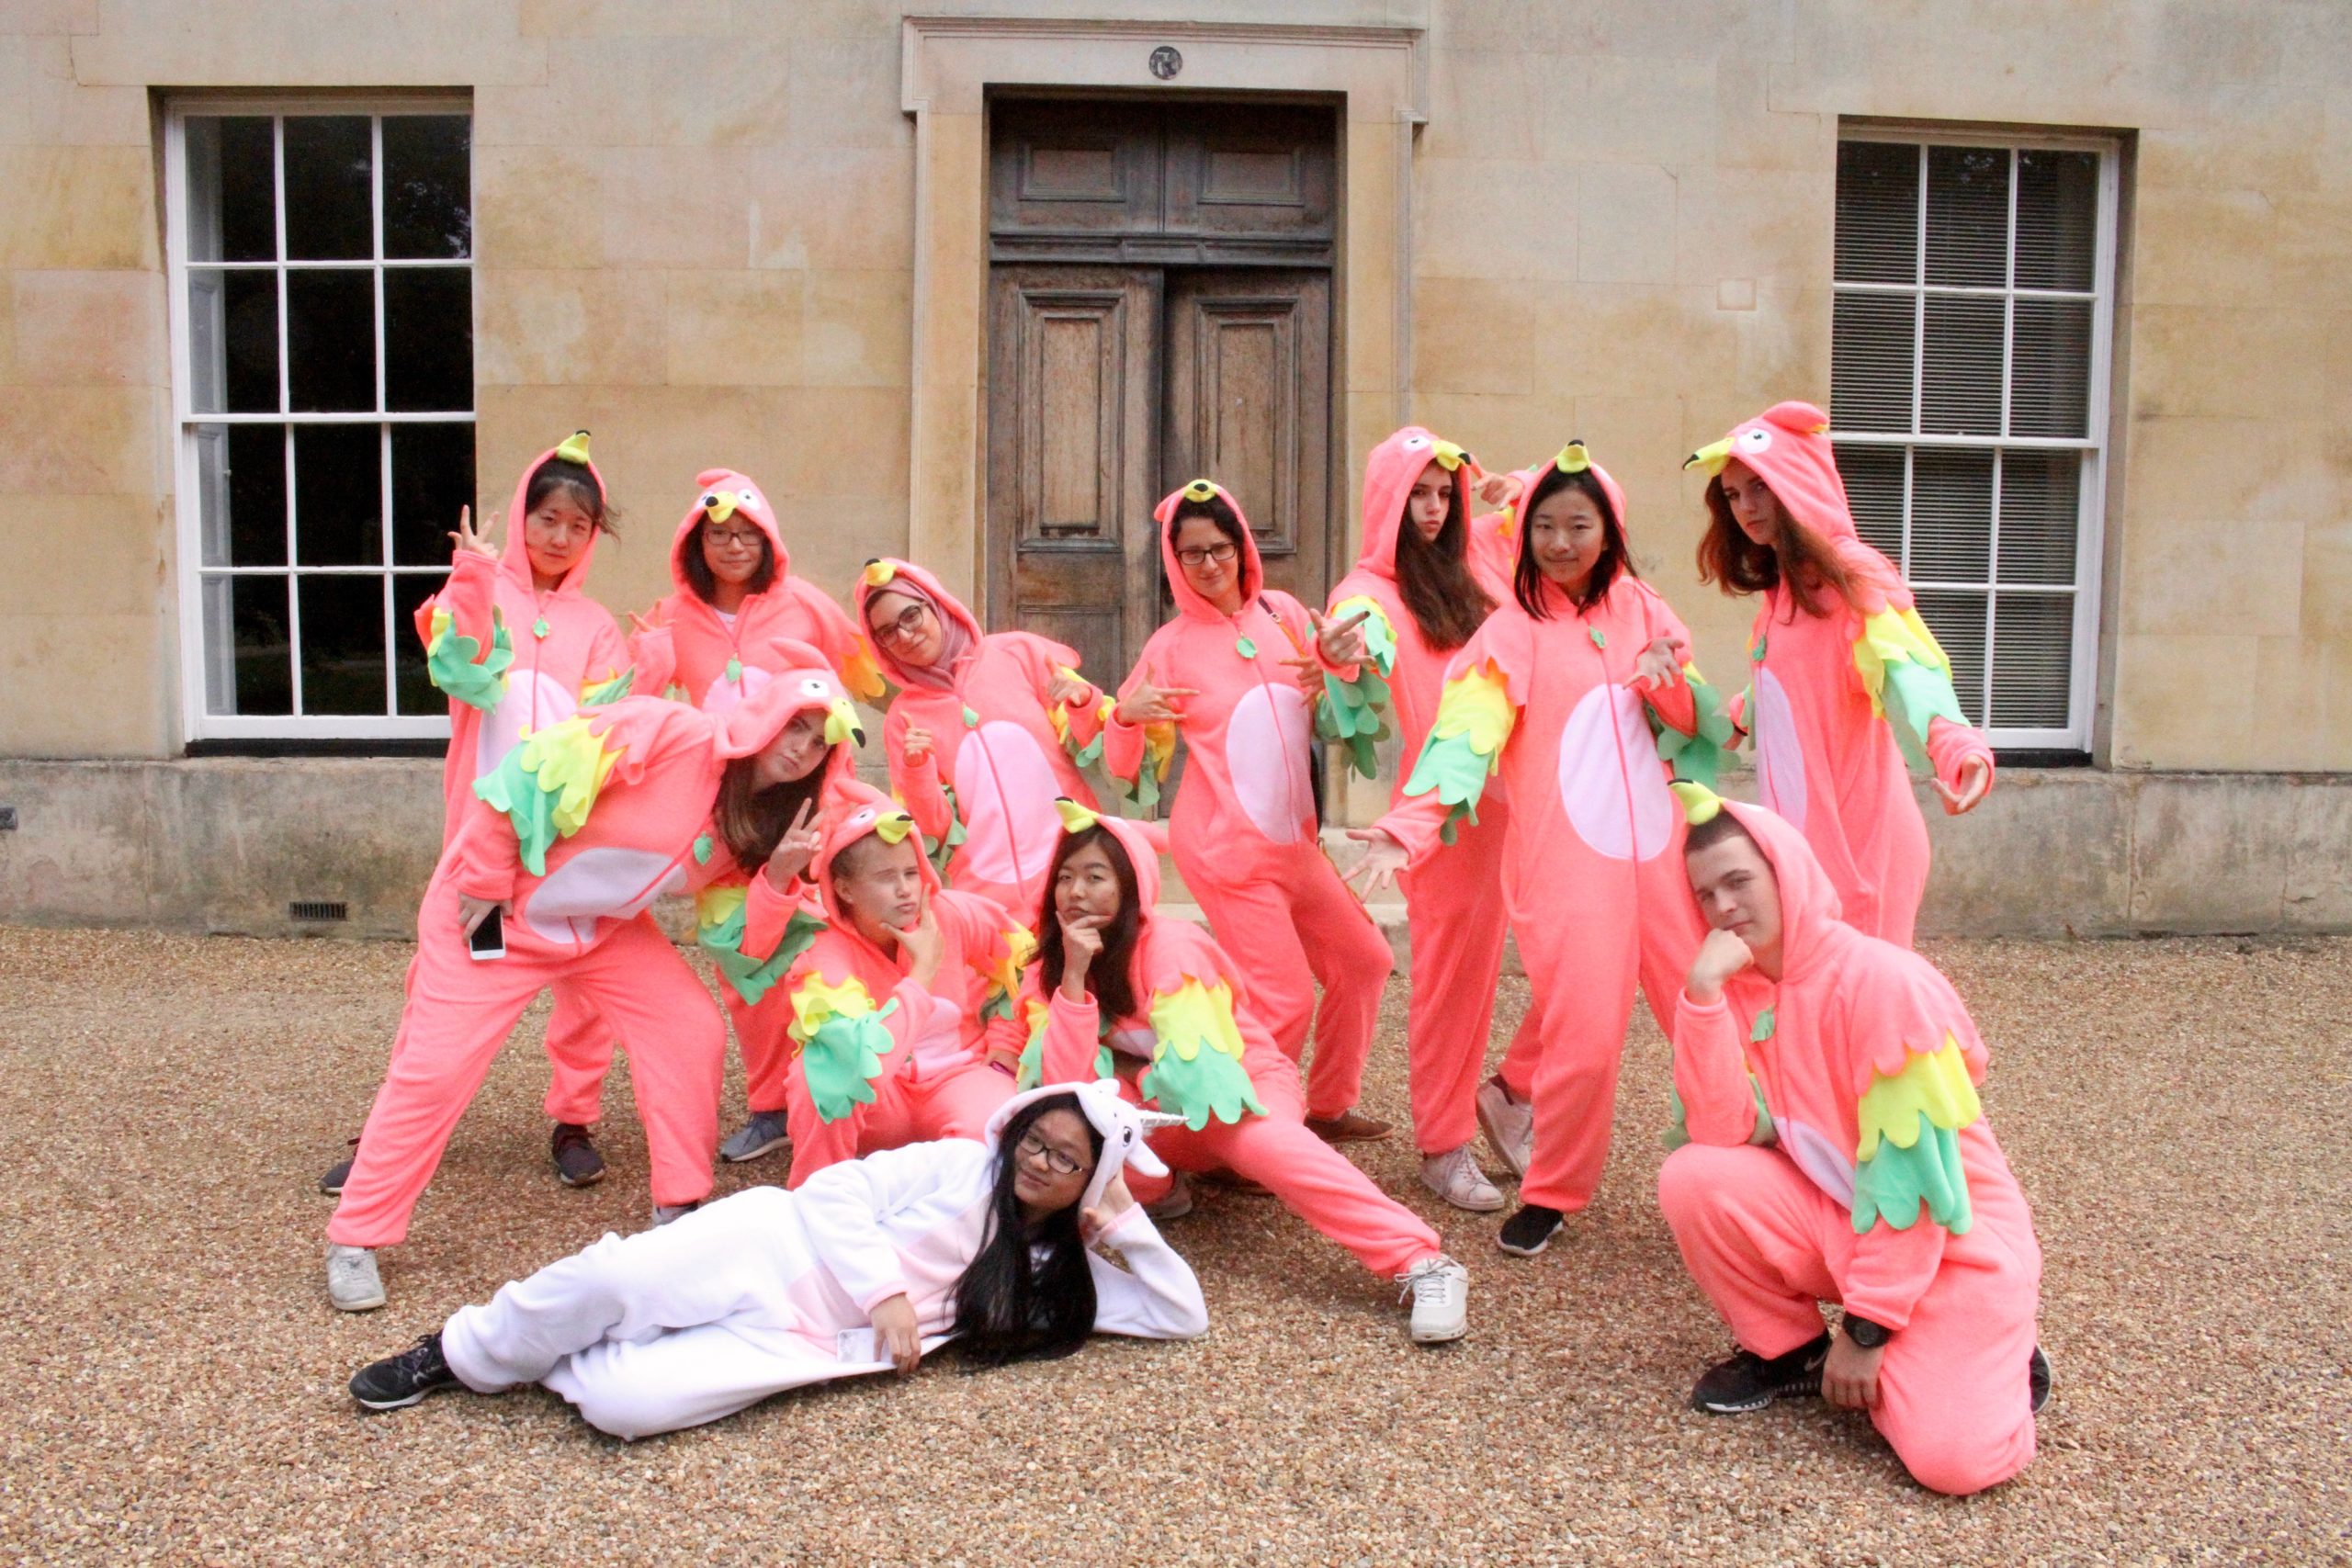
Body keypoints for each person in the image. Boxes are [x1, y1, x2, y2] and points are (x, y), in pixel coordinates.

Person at [322, 673, 865, 1313]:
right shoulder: (669, 731)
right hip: (493, 911)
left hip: (603, 928)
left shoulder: (766, 822)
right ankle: (355, 1235)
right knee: (436, 1070)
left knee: (690, 1029)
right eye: (794, 725)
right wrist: (487, 875)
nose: (801, 748)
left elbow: (741, 942)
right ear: (765, 714)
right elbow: (532, 768)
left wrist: (777, 876)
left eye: (819, 742)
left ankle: (680, 1210)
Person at [1348, 445, 1731, 1258]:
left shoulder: (1645, 608)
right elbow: (1465, 735)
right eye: (1545, 526)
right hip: (1568, 870)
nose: (1560, 542)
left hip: (1664, 861)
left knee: (1713, 1019)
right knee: (1583, 1041)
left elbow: (1694, 724)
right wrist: (1408, 825)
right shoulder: (1511, 631)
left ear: (1610, 529)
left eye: (1579, 525)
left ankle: (1753, 1173)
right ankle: (1553, 1191)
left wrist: (1665, 679)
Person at [345, 1084, 1209, 1438]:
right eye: (1036, 1140)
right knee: (615, 1279)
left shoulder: (1058, 1271)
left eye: (1068, 1160)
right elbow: (833, 1192)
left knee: (622, 1409)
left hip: (807, 1341)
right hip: (774, 1244)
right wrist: (887, 1293)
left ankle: (550, 1345)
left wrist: (1126, 1219)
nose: (1041, 1162)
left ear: (1090, 1179)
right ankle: (461, 1350)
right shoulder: (958, 1164)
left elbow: (1181, 1314)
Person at [1657, 783, 2046, 1496]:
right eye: (1706, 894)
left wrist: (1867, 1332)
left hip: (1956, 1252)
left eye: (1739, 880)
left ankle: (1996, 1357)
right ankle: (1792, 1353)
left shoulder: (1883, 983)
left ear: (1787, 873)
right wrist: (1702, 996)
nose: (1723, 906)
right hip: (1854, 1224)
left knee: (1952, 1463)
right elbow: (1719, 1130)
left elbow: (1914, 1187)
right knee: (1694, 1174)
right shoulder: (1750, 989)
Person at [1006, 803, 1472, 1345]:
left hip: (1238, 1087)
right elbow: (1067, 1088)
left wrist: (1123, 1080)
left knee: (1267, 1146)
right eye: (1065, 878)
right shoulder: (1052, 964)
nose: (1076, 893)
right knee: (1074, 1141)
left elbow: (1198, 1079)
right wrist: (1074, 979)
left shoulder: (1172, 946)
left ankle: (1422, 1260)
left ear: (1131, 886)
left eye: (1095, 877)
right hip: (1156, 1111)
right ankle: (1161, 1185)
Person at [322, 431, 636, 1196]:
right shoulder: (484, 589)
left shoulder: (597, 624)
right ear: (523, 515)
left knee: (585, 993)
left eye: (578, 525)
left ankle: (574, 1120)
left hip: (568, 846)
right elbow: (459, 669)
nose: (560, 537)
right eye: (547, 518)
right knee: (441, 984)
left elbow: (607, 728)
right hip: (479, 842)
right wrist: (471, 577)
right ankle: (394, 1132)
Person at [546, 469, 889, 1157]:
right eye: (718, 535)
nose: (734, 546)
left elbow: (866, 684)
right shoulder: (669, 617)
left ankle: (857, 1098)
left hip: (804, 810)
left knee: (831, 950)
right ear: (694, 543)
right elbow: (627, 712)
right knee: (745, 968)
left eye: (747, 534)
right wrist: (648, 666)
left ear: (768, 540)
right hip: (717, 823)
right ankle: (770, 1107)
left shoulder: (807, 607)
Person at [1104, 479, 1396, 1143]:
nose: (1209, 564)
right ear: (1175, 561)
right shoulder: (1171, 646)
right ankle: (1242, 1138)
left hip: (1294, 844)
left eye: (1220, 548)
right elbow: (1124, 762)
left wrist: (1342, 669)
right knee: (1282, 1000)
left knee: (1365, 960)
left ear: (1241, 546)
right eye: (1192, 554)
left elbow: (1338, 700)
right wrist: (1125, 717)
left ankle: (1327, 1108)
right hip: (1224, 851)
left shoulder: (1284, 613)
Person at [1688, 401, 1994, 947]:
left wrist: (1958, 747)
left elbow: (1909, 669)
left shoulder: (1853, 573)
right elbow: (1786, 689)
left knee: (1864, 991)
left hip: (1859, 845)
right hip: (1806, 842)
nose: (1746, 508)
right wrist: (1713, 721)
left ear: (1798, 481)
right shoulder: (1783, 592)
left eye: (1760, 486)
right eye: (1732, 495)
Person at [1322, 428, 1530, 1210]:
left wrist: (1520, 485)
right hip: (1444, 821)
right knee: (1454, 985)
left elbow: (1575, 519)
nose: (1435, 509)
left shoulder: (1480, 558)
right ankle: (1445, 1145)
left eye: (1445, 493)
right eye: (1418, 494)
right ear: (1388, 498)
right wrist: (1336, 651)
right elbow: (1353, 642)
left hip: (1529, 799)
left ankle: (1515, 1089)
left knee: (1592, 953)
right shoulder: (1368, 592)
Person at [772, 794, 1033, 1185]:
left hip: (958, 1077)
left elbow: (1029, 962)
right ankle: (818, 1197)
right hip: (883, 1099)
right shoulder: (824, 950)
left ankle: (949, 1209)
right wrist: (922, 974)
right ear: (844, 890)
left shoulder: (951, 914)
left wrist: (1006, 1040)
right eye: (885, 877)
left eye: (911, 873)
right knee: (816, 1073)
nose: (906, 889)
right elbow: (857, 1059)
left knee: (998, 1133)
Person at [853, 556, 1114, 916]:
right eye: (887, 633)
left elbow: (1098, 745)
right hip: (986, 900)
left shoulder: (1018, 653)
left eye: (910, 615)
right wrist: (917, 770)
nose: (905, 635)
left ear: (936, 605)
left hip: (1074, 870)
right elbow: (934, 831)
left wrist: (1082, 702)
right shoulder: (903, 718)